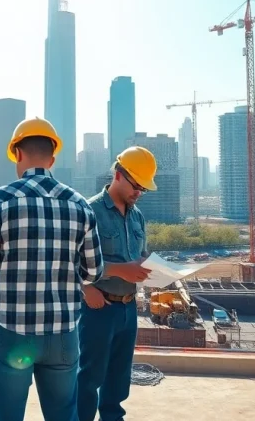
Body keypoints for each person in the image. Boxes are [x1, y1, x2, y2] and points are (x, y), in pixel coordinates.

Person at [0, 117, 104, 421]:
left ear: (17, 155)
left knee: (6, 415)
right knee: (64, 414)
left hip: (11, 332)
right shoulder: (80, 206)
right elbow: (93, 273)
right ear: (52, 158)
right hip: (63, 334)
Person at [77, 147, 157, 421]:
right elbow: (71, 262)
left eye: (143, 189)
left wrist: (151, 267)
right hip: (98, 307)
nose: (139, 193)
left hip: (127, 308)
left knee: (119, 375)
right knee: (89, 375)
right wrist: (86, 288)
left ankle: (112, 417)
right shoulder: (90, 211)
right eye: (136, 186)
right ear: (119, 175)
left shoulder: (137, 217)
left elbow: (139, 256)